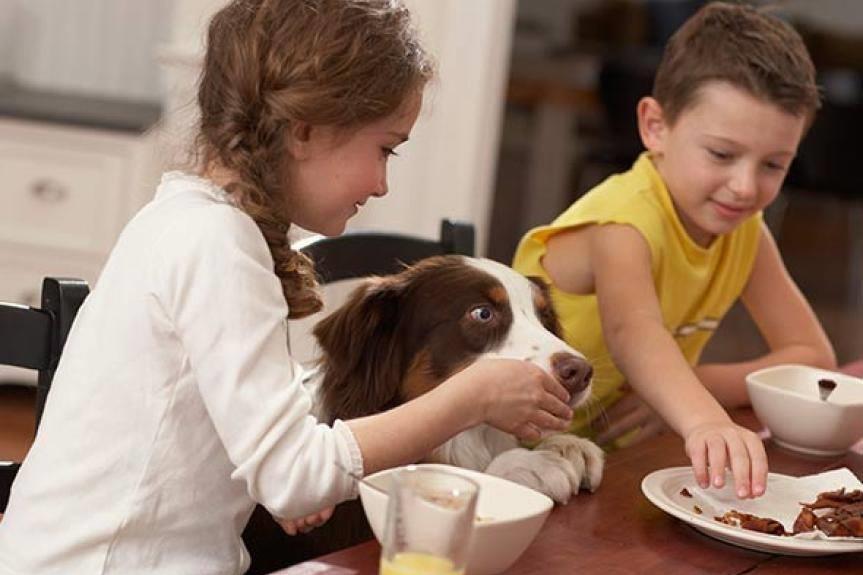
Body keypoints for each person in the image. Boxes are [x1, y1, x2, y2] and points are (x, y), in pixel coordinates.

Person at [0, 1, 575, 573]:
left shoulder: (189, 219)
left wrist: (277, 466)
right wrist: (472, 397)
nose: (381, 184)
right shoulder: (215, 244)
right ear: (304, 130)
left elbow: (227, 414)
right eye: (384, 149)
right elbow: (294, 478)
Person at [513, 2, 836, 500]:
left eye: (774, 165)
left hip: (617, 465)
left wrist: (688, 386)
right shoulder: (624, 221)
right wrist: (702, 416)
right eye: (722, 155)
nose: (745, 187)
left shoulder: (746, 233)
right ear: (655, 126)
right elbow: (634, 335)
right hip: (520, 457)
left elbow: (812, 358)